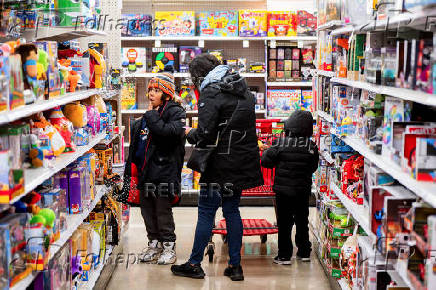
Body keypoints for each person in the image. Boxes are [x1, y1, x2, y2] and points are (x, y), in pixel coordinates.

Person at [171, 54, 263, 281]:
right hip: (240, 162)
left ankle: (194, 263)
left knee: (206, 212)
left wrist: (187, 133)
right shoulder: (242, 88)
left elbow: (205, 133)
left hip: (218, 163)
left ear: (199, 75)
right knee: (232, 210)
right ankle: (236, 266)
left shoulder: (211, 92)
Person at [124, 67, 186, 265]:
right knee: (147, 211)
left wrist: (150, 117)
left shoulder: (176, 113)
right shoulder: (146, 117)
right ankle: (154, 244)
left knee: (162, 212)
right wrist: (130, 172)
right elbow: (137, 146)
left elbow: (167, 133)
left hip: (164, 173)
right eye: (150, 89)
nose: (151, 93)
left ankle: (169, 246)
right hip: (145, 173)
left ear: (167, 94)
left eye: (157, 90)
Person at [261, 110, 319, 265]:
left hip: (283, 191)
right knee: (302, 220)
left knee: (285, 223)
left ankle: (285, 255)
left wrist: (268, 151)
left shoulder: (281, 143)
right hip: (302, 190)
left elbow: (266, 162)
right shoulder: (311, 146)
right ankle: (304, 252)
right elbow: (313, 167)